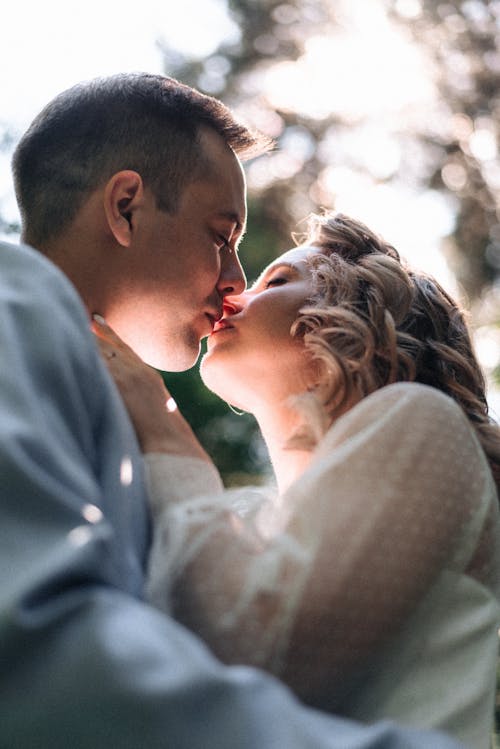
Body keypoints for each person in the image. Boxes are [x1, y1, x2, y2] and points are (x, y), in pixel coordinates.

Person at [0, 73, 462, 748]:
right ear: (126, 206)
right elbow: (42, 661)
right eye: (223, 235)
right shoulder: (17, 313)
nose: (235, 283)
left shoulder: (96, 395)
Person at [94, 212, 500, 749]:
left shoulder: (428, 422)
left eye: (277, 281)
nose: (233, 295)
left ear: (356, 313)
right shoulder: (248, 522)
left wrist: (160, 424)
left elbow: (254, 662)